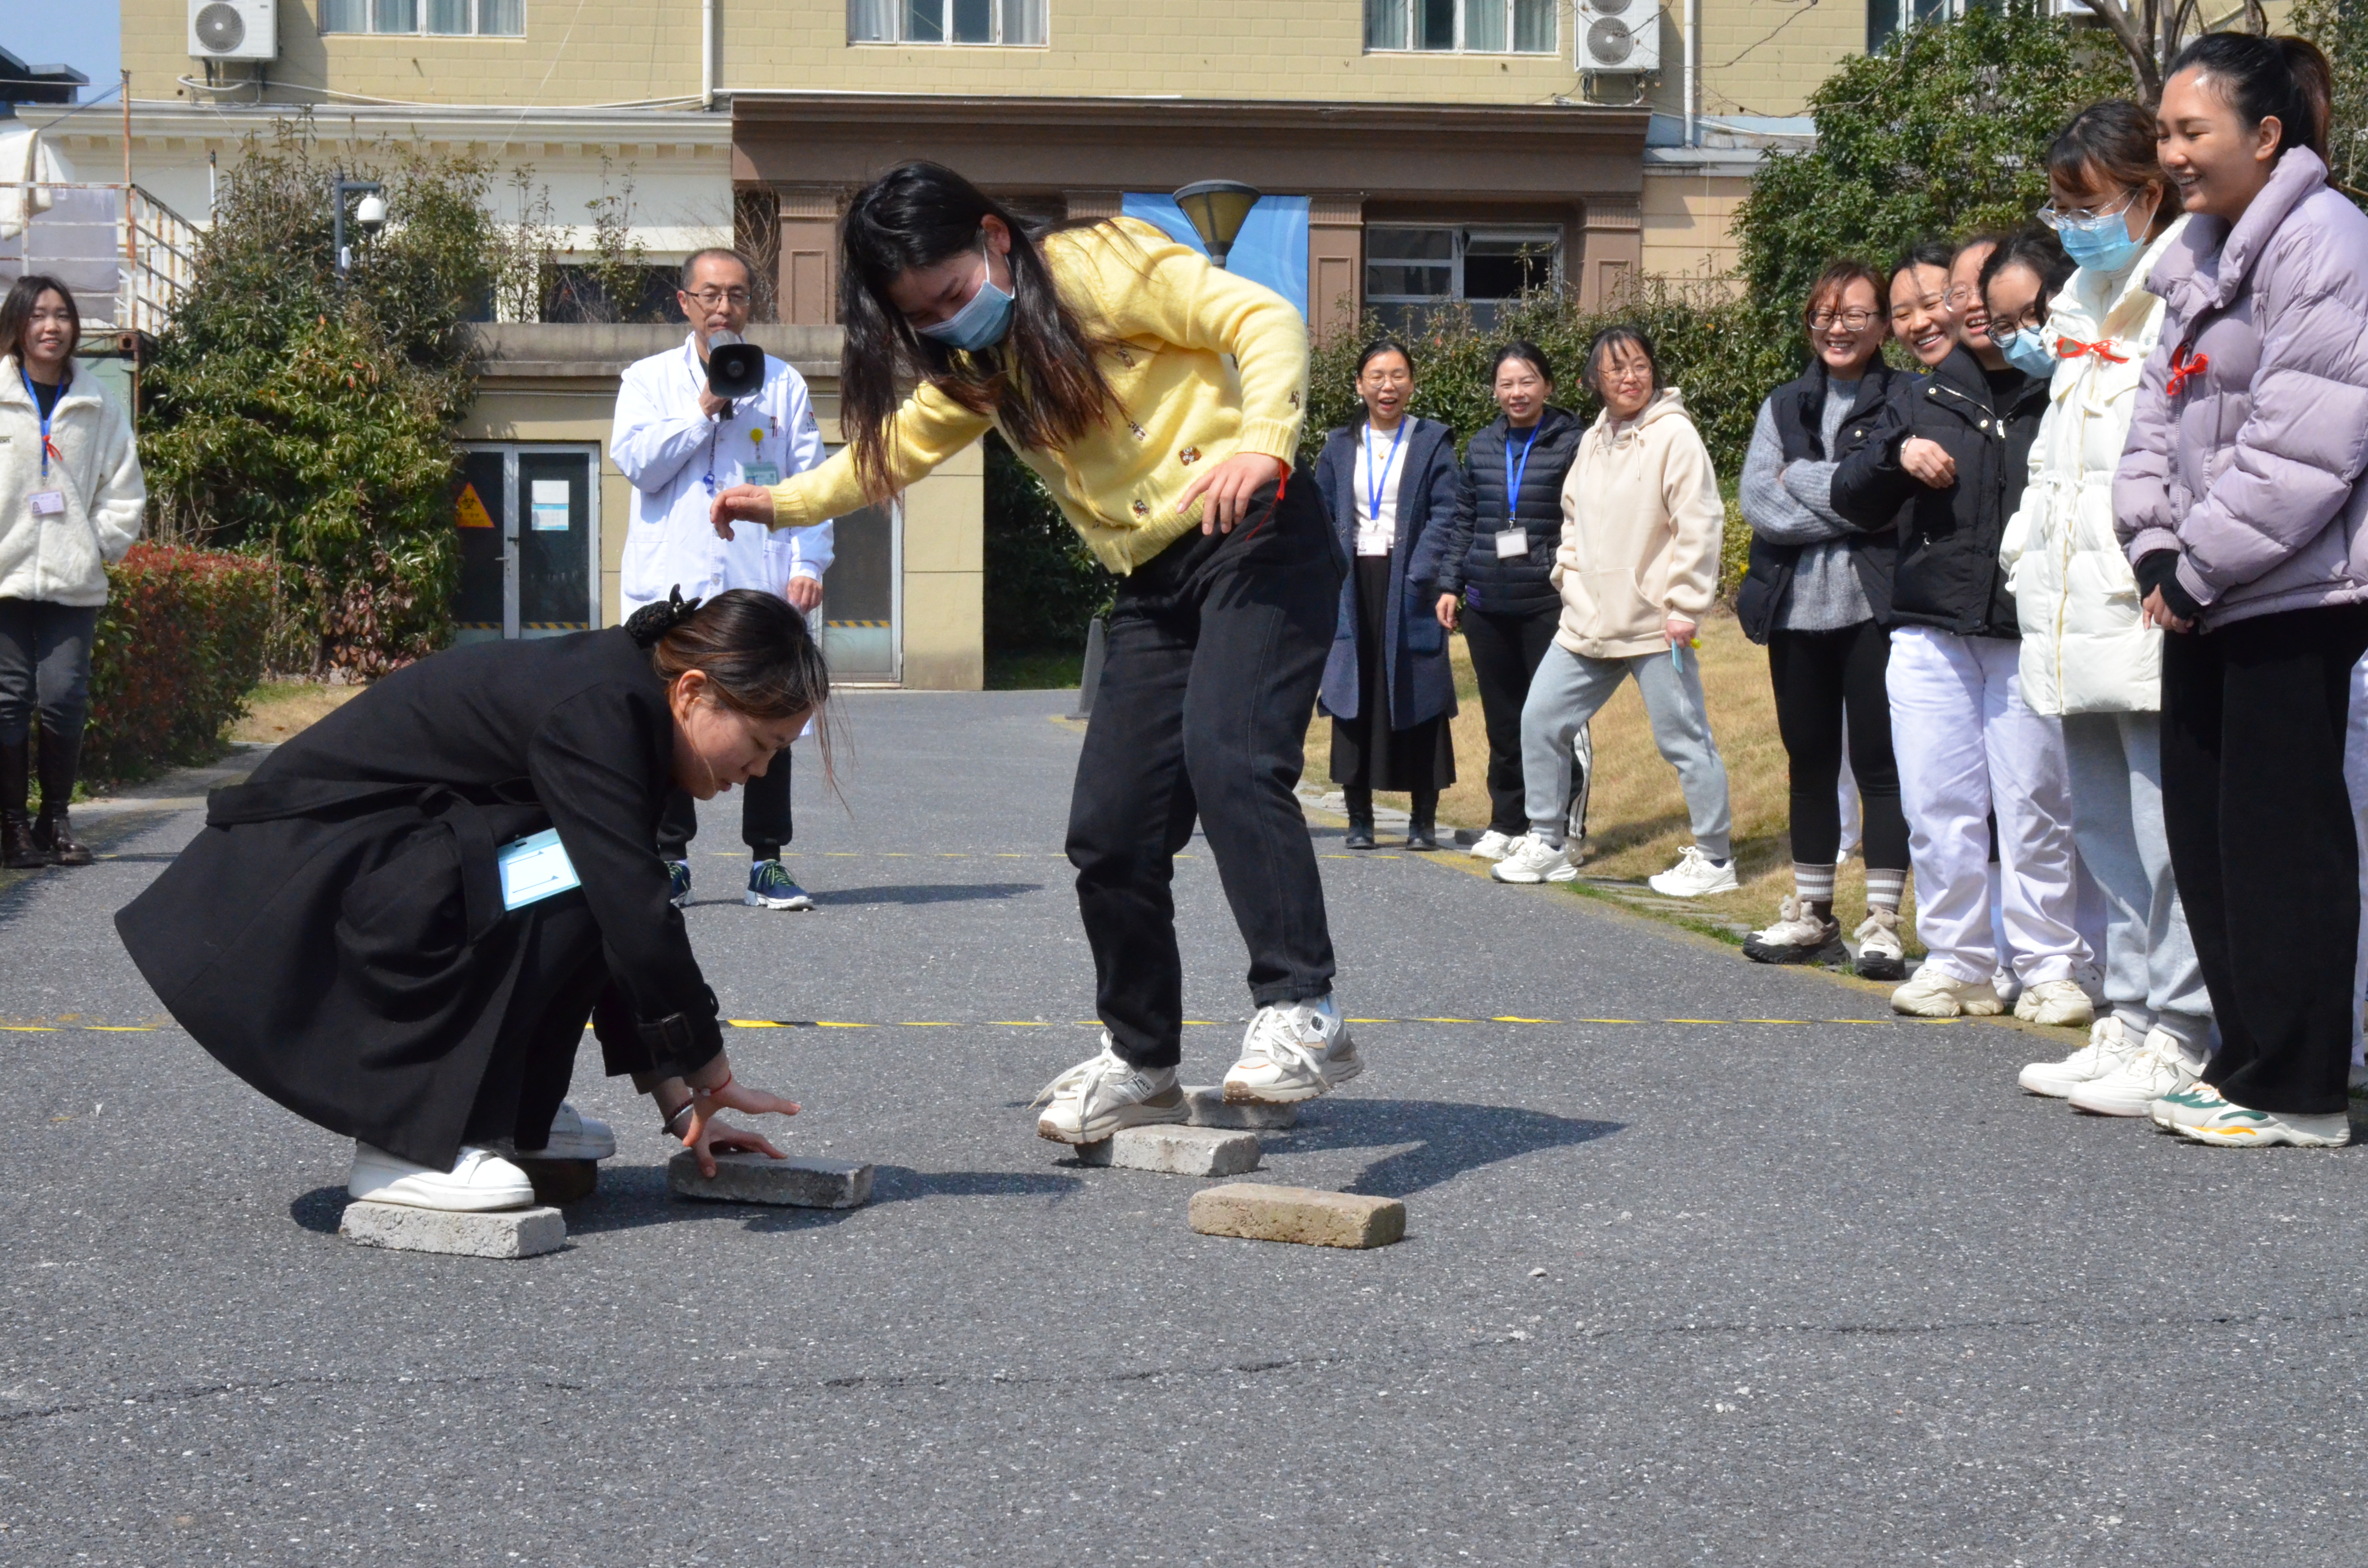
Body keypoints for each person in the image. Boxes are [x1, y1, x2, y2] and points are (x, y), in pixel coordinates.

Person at [708, 162, 1354, 1144]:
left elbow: (1258, 319)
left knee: (1232, 758)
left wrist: (1262, 441)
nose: (947, 324)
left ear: (996, 240)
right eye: (923, 316)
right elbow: (890, 452)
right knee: (1110, 831)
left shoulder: (1098, 272)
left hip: (1256, 529)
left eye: (956, 294)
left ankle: (1304, 1010)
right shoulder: (981, 367)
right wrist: (779, 502)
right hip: (1153, 577)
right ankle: (1142, 1062)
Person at [114, 591, 814, 1209]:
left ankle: (504, 1113)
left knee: (581, 874)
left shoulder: (627, 706)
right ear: (693, 692)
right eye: (759, 743)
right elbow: (630, 912)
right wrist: (711, 1074)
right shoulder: (602, 709)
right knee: (576, 876)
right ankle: (411, 1142)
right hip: (292, 893)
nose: (758, 772)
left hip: (360, 872)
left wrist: (684, 1107)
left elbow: (624, 924)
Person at [2118, 36, 2368, 1149]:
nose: (2169, 153)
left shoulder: (2328, 242)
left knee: (2280, 839)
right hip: (2207, 588)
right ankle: (2246, 1056)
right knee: (2210, 833)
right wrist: (2153, 548)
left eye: (2190, 132)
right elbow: (2155, 422)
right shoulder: (2195, 256)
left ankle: (2303, 1085)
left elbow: (2308, 447)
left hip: (2297, 589)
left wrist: (2200, 559)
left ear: (2267, 136)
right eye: (2163, 133)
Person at [1998, 102, 2211, 1116]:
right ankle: (2125, 1013)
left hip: (2143, 603)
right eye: (2059, 203)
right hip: (2070, 602)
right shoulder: (2084, 296)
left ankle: (2182, 1027)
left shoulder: (2183, 290)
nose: (2070, 221)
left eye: (2086, 203)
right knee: (2102, 828)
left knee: (2165, 829)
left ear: (2147, 195)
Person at [1833, 236, 2095, 1022]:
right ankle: (1957, 959)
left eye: (1981, 288)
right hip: (1927, 632)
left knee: (2034, 806)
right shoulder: (1916, 396)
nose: (1968, 303)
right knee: (1936, 804)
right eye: (1958, 290)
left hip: (2024, 632)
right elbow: (1851, 494)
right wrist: (1894, 454)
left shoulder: (2059, 388)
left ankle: (2048, 962)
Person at [612, 247, 834, 914]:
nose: (724, 308)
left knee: (772, 713)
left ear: (750, 305)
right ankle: (670, 858)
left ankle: (768, 862)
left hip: (756, 582)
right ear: (685, 303)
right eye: (710, 295)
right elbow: (640, 466)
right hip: (673, 587)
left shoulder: (784, 386)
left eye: (736, 296)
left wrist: (807, 563)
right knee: (669, 715)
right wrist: (706, 406)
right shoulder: (648, 381)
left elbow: (812, 483)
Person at [1491, 326, 1735, 897]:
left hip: (1656, 623)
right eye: (1615, 369)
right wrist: (1567, 577)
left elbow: (1699, 524)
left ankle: (1715, 858)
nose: (1630, 378)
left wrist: (1684, 606)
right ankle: (1549, 842)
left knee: (1683, 738)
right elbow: (1571, 519)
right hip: (1585, 622)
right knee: (1540, 721)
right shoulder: (1593, 440)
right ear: (1593, 381)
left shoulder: (1674, 435)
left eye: (1640, 366)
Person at [1736, 260, 1910, 979]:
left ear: (1883, 325)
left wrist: (1808, 485)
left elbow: (1892, 501)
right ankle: (1812, 913)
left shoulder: (1906, 399)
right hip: (1794, 610)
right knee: (1807, 761)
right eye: (1824, 315)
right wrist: (1852, 503)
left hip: (1874, 605)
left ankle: (1884, 922)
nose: (1837, 328)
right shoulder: (1783, 405)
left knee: (1879, 764)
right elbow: (1758, 504)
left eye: (1855, 315)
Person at [0, 275, 144, 870]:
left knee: (63, 697)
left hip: (72, 578)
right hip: (3, 580)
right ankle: (9, 826)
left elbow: (123, 489)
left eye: (61, 315)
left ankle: (54, 819)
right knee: (7, 700)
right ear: (18, 325)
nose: (51, 326)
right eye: (38, 315)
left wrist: (96, 547)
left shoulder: (97, 405)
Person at [1433, 342, 1583, 862]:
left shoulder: (1573, 443)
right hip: (1487, 603)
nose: (1516, 393)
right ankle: (1506, 820)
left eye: (1526, 382)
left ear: (1546, 385)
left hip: (1547, 601)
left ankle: (1561, 827)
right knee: (1502, 722)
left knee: (1551, 720)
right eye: (1506, 384)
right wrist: (1450, 584)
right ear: (1494, 391)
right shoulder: (1481, 446)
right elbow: (1462, 522)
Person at [1313, 338, 1462, 851]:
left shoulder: (1431, 442)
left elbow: (1449, 512)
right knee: (1353, 692)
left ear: (1411, 383)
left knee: (1418, 691)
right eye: (1376, 376)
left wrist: (1426, 571)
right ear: (1359, 385)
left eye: (1398, 375)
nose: (1387, 386)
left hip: (1410, 582)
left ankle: (1423, 820)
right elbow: (1321, 513)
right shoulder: (1337, 446)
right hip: (1352, 582)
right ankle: (1359, 819)